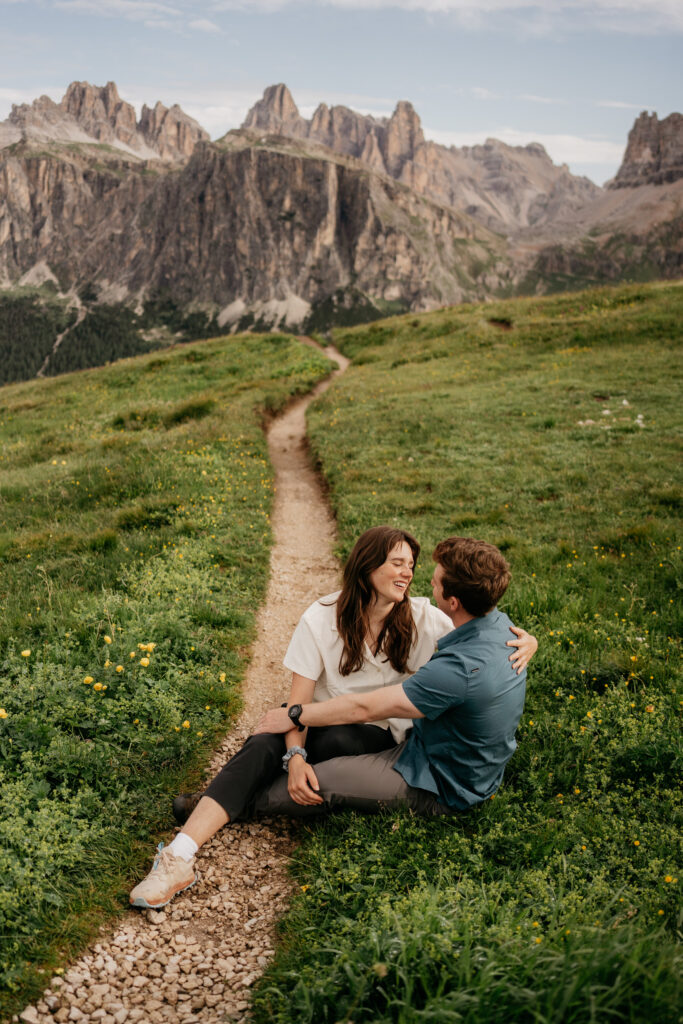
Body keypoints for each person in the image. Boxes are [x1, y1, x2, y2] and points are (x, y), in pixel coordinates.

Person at [130, 529, 536, 909]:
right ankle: (180, 856)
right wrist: (295, 759)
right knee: (267, 743)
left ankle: (218, 802)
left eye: (412, 564)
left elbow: (480, 618)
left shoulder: (426, 618)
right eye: (398, 562)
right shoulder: (321, 619)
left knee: (332, 741)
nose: (409, 572)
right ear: (367, 566)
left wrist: (528, 641)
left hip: (379, 741)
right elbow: (299, 704)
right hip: (322, 724)